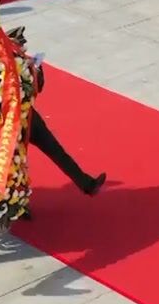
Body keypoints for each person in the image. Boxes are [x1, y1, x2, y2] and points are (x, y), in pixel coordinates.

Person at [6, 26, 106, 196]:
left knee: (55, 149)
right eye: (21, 45)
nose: (24, 48)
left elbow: (39, 87)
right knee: (14, 163)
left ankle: (87, 184)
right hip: (13, 122)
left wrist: (36, 71)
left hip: (30, 116)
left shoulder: (23, 62)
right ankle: (19, 203)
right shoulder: (3, 67)